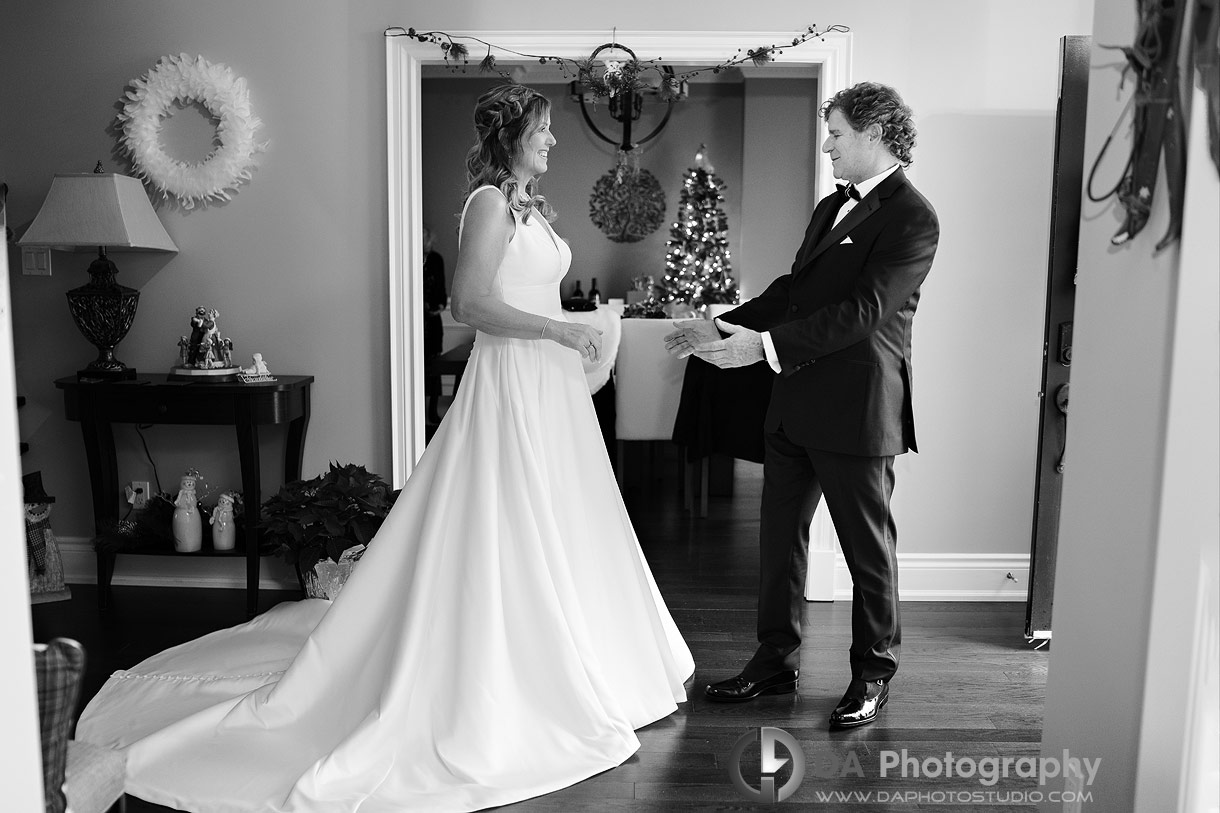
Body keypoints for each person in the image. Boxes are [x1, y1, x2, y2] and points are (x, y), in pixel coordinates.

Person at [77, 83, 694, 812]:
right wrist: (559, 330)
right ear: (512, 135)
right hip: (512, 384)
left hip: (549, 390)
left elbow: (530, 291)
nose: (554, 141)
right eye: (545, 129)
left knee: (565, 523)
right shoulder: (489, 203)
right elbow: (469, 304)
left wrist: (574, 328)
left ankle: (588, 657)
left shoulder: (531, 204)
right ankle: (513, 669)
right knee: (510, 523)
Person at [666, 81, 939, 729]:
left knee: (866, 550)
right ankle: (774, 659)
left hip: (856, 410)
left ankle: (874, 673)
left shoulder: (913, 216)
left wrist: (760, 349)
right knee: (779, 543)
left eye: (838, 133)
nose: (828, 145)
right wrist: (721, 325)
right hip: (792, 407)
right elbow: (795, 292)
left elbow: (863, 313)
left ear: (874, 134)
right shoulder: (828, 209)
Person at [422, 223, 447, 424]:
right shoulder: (406, 257)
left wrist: (437, 306)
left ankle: (432, 410)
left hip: (433, 321)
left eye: (424, 236)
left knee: (434, 367)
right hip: (416, 322)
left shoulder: (436, 260)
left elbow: (440, 287)